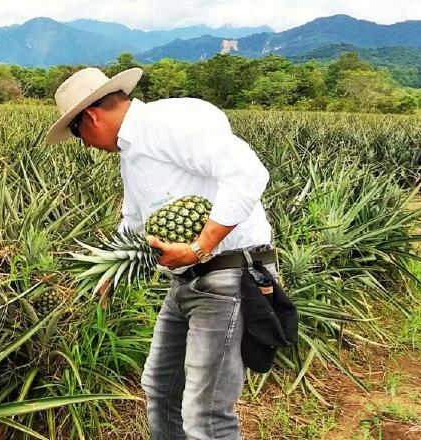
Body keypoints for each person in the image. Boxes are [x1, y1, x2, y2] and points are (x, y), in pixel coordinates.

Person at [46, 67, 278, 440]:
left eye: (77, 133)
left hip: (228, 275)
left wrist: (199, 248)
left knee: (206, 413)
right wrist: (107, 272)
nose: (84, 144)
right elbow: (136, 222)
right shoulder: (131, 153)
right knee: (160, 387)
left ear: (90, 116)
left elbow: (248, 173)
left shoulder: (166, 123)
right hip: (187, 281)